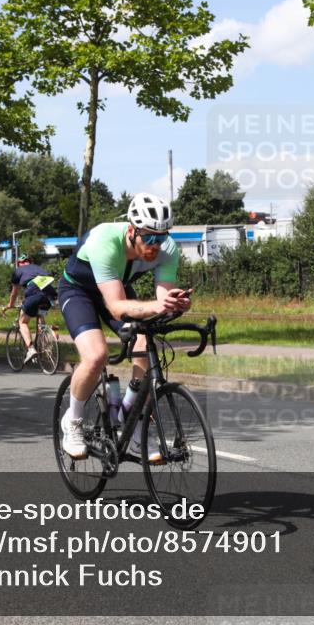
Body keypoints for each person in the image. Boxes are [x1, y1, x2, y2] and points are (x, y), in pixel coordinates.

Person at [57, 194, 192, 460]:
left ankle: (132, 421)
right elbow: (117, 307)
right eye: (149, 238)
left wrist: (176, 304)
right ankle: (72, 422)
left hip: (115, 286)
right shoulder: (104, 240)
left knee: (146, 342)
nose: (155, 245)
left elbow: (162, 301)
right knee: (96, 355)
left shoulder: (167, 250)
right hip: (79, 292)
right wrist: (158, 305)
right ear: (131, 231)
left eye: (161, 237)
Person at [2, 255, 57, 364]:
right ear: (30, 262)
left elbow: (14, 292)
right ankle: (45, 342)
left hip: (34, 291)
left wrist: (10, 305)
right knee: (40, 314)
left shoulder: (18, 271)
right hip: (50, 294)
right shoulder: (38, 268)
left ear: (18, 263)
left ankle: (31, 349)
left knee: (22, 322)